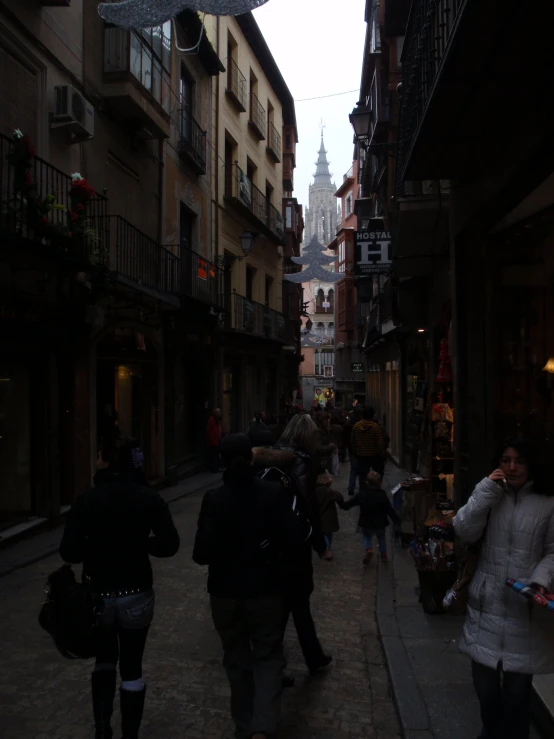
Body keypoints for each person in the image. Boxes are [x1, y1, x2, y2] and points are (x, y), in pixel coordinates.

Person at [59, 441, 180, 739]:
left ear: (108, 462)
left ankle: (103, 729)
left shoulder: (86, 500)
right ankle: (129, 734)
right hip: (136, 592)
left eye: (99, 455)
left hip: (98, 594)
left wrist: (95, 545)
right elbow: (170, 544)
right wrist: (140, 543)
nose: (96, 460)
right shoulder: (148, 498)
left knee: (104, 658)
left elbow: (69, 552)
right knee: (131, 664)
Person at [193, 434, 306, 739]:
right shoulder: (271, 494)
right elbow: (296, 538)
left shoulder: (214, 499)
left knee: (237, 661)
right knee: (268, 657)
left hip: (225, 594)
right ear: (252, 458)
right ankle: (263, 727)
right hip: (266, 591)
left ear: (222, 461)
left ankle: (244, 727)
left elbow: (200, 554)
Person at [453, 438, 554, 739]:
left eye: (519, 461)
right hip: (487, 602)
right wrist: (485, 490)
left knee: (517, 693)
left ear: (530, 464)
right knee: (484, 687)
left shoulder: (547, 503)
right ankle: (493, 731)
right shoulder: (489, 494)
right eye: (506, 460)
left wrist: (540, 581)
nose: (512, 467)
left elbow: (553, 550)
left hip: (523, 610)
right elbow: (463, 529)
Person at [342, 471, 400, 563]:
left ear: (366, 482)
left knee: (367, 536)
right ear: (380, 483)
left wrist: (342, 504)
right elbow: (389, 509)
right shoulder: (382, 495)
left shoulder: (362, 494)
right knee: (381, 538)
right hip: (380, 522)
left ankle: (369, 549)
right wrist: (396, 521)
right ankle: (383, 555)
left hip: (366, 521)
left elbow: (350, 503)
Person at [350, 406, 386, 488]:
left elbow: (353, 442)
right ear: (372, 415)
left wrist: (356, 452)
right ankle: (376, 488)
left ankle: (363, 490)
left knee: (362, 475)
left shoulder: (356, 426)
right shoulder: (375, 427)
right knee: (378, 473)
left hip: (361, 456)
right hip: (375, 455)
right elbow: (380, 444)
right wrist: (382, 453)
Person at [315, 473, 344, 561]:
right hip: (329, 518)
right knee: (328, 534)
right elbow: (339, 496)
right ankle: (327, 550)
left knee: (322, 534)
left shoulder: (315, 491)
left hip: (320, 517)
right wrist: (342, 504)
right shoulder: (330, 492)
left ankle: (325, 549)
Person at [344, 407, 363, 496]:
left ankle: (351, 487)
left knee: (353, 470)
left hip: (352, 449)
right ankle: (362, 488)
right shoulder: (361, 424)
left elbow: (348, 437)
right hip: (362, 450)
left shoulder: (349, 423)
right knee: (363, 470)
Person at [206, 408, 223, 473]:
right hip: (213, 441)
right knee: (214, 455)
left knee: (216, 455)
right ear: (214, 413)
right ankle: (214, 468)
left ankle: (216, 467)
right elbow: (209, 430)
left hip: (217, 440)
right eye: (217, 412)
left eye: (219, 412)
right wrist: (212, 440)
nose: (219, 414)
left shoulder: (218, 420)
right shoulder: (211, 420)